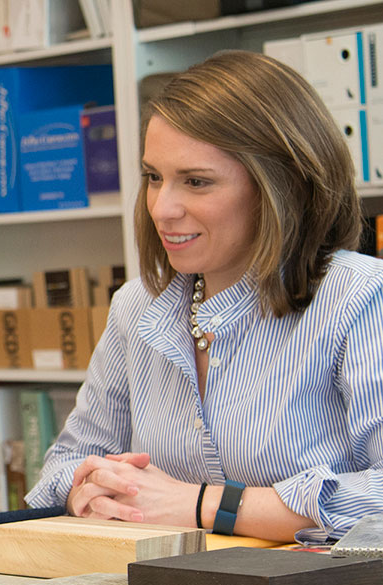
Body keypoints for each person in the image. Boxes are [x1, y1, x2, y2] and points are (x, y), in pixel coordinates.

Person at [25, 49, 383, 541]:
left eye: (196, 182)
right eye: (154, 177)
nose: (162, 208)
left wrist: (199, 504)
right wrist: (96, 488)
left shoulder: (359, 297)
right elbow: (62, 467)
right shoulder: (137, 305)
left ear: (278, 188)